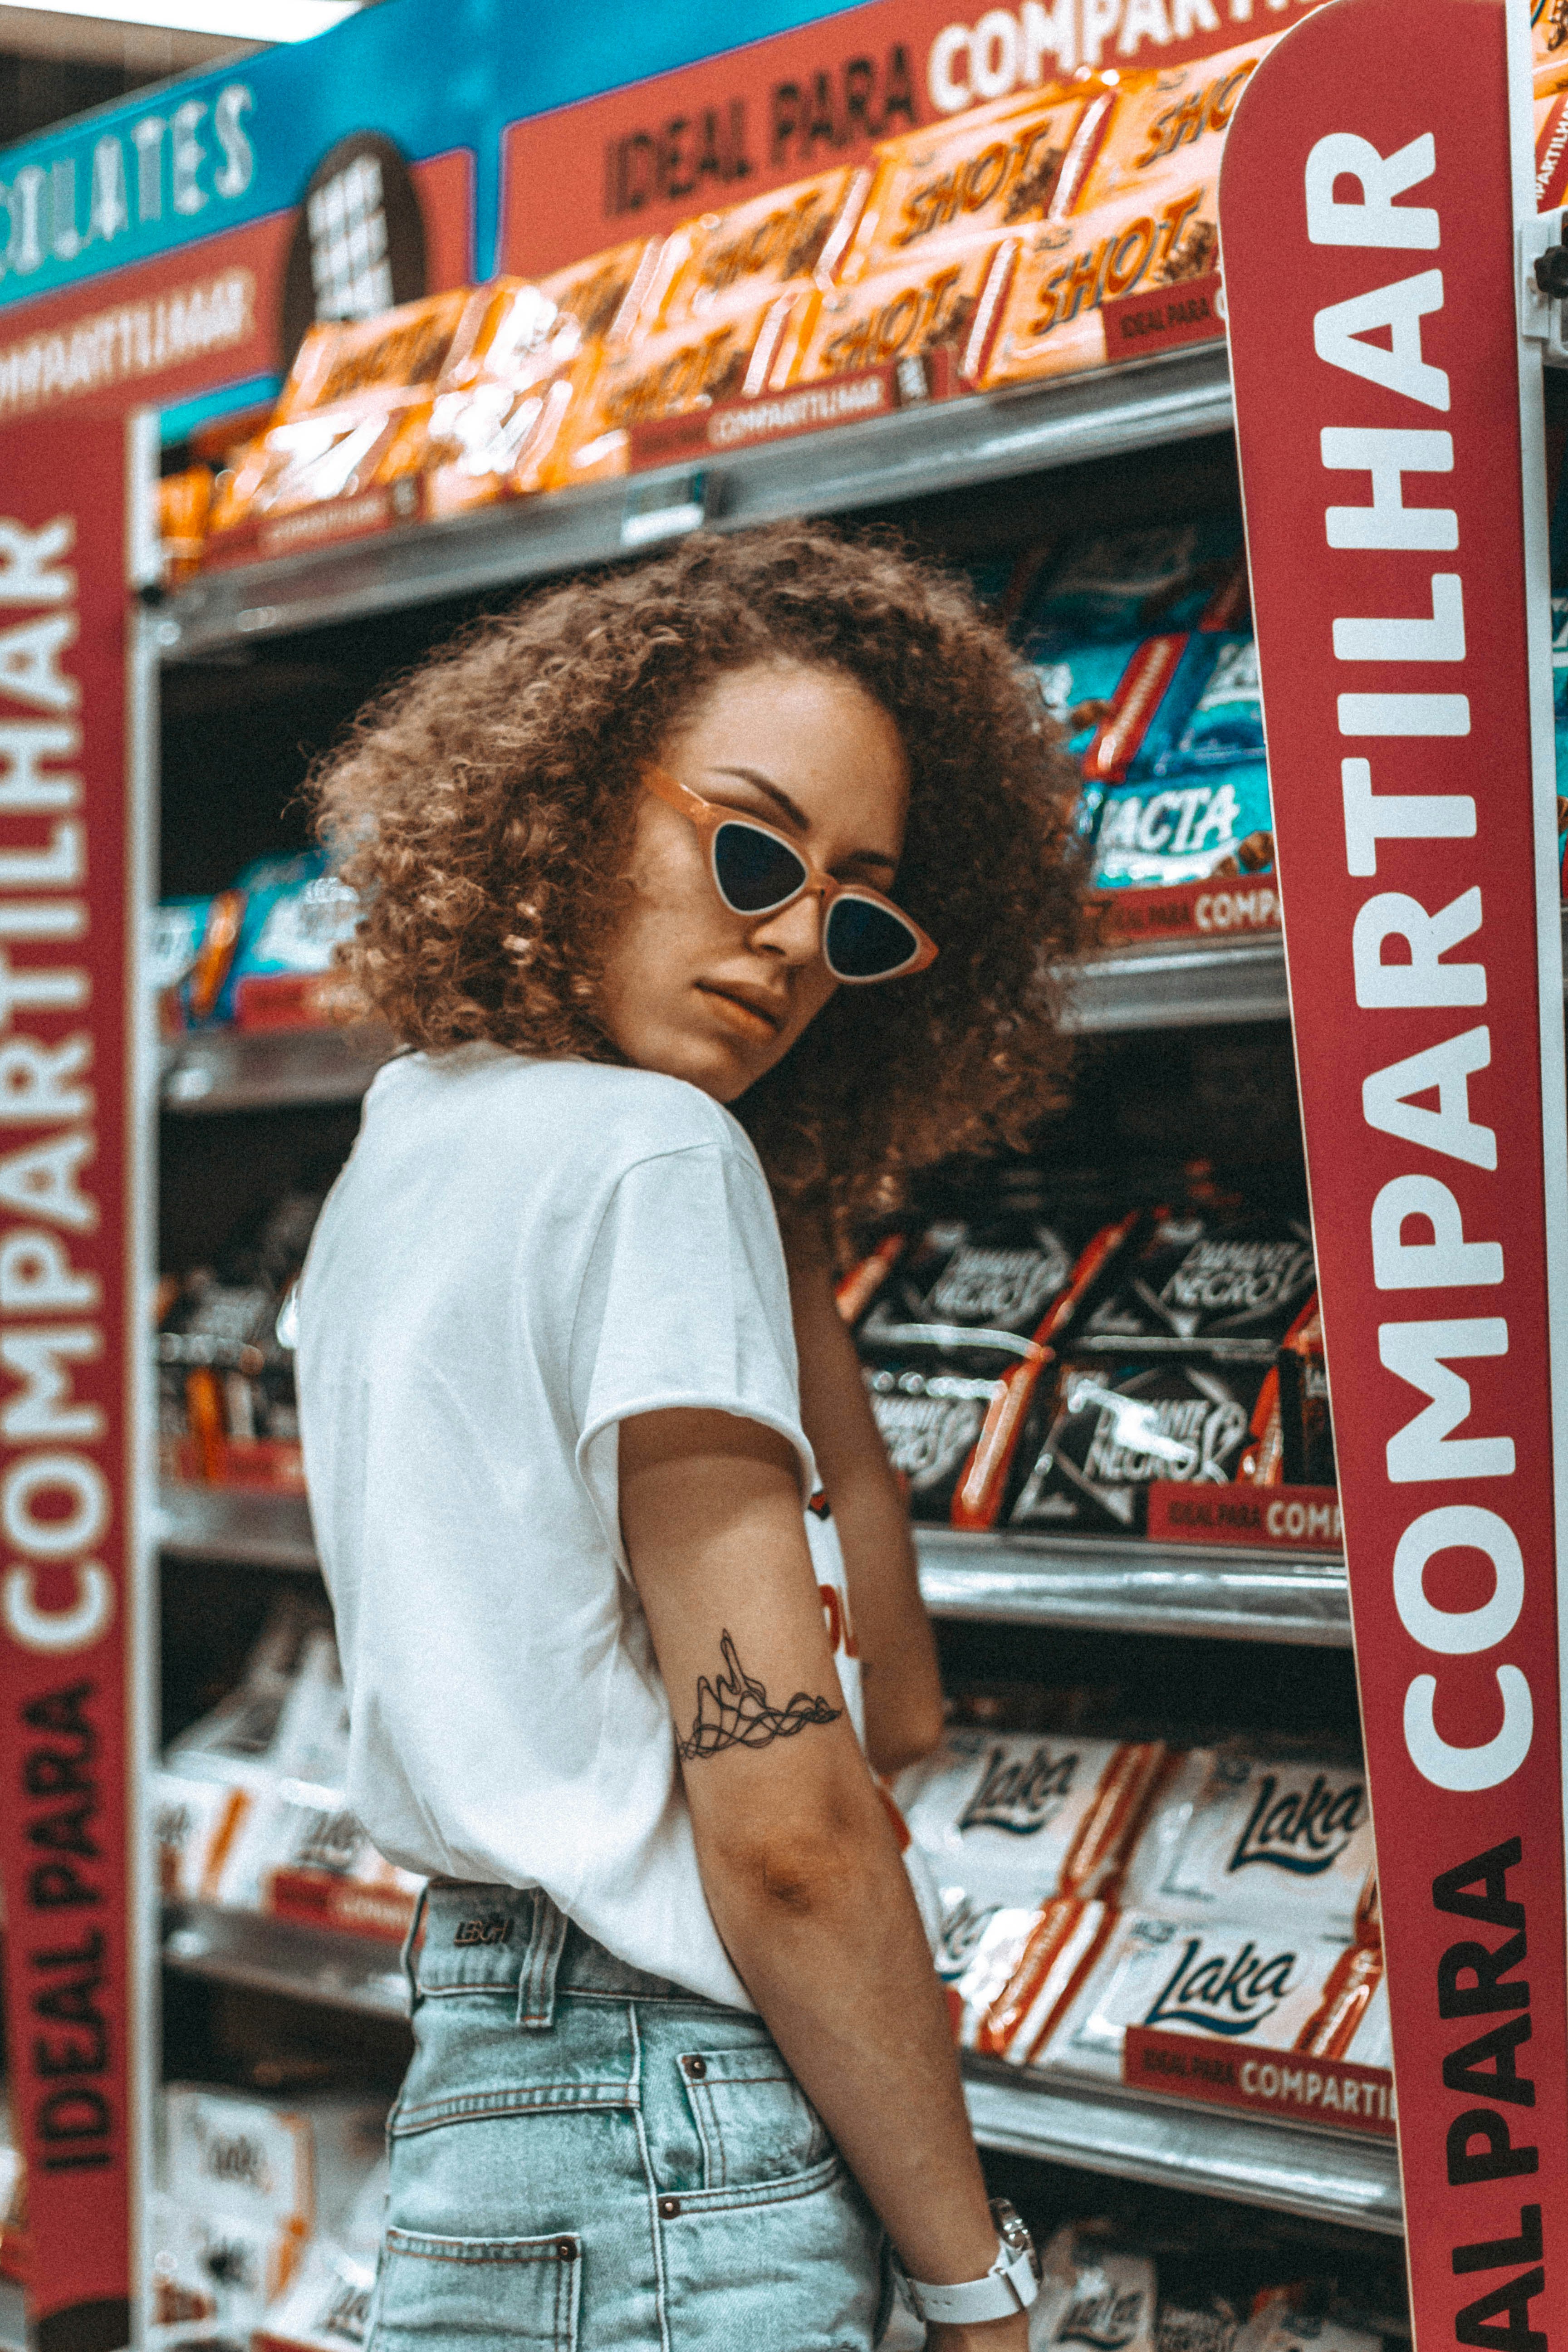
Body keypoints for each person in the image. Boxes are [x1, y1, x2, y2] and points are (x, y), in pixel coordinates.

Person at [295, 524, 1084, 2351]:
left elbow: (894, 1709)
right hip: (675, 2123)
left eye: (856, 913)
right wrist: (975, 2283)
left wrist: (776, 1219)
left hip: (486, 2090)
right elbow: (795, 1833)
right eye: (750, 851)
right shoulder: (649, 1159)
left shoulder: (408, 1143)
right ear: (574, 804)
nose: (794, 941)